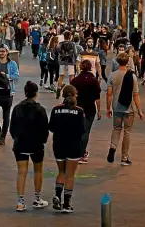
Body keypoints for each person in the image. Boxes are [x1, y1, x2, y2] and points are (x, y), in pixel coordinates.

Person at [9, 81, 49, 212]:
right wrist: (42, 141)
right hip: (36, 144)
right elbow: (45, 129)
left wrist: (16, 138)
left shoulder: (17, 108)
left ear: (25, 93)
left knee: (21, 172)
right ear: (36, 93)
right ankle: (37, 199)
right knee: (38, 171)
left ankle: (20, 202)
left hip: (20, 144)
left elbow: (12, 128)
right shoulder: (40, 109)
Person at [48, 85, 85, 213]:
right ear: (75, 95)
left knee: (61, 172)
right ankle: (67, 204)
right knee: (70, 175)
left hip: (59, 144)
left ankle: (57, 195)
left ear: (63, 95)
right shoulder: (79, 111)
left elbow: (51, 127)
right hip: (74, 145)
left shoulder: (55, 109)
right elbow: (82, 130)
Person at [106, 52, 144, 166]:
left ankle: (113, 147)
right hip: (129, 108)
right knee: (127, 132)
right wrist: (140, 111)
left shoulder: (112, 75)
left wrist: (108, 108)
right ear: (128, 62)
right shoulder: (132, 76)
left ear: (117, 62)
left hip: (116, 107)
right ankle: (124, 157)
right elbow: (136, 95)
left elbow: (109, 94)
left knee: (116, 128)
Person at [71, 60, 101, 164]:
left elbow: (71, 95)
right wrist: (99, 111)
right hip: (90, 109)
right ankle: (81, 153)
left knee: (77, 130)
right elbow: (97, 97)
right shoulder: (93, 80)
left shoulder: (75, 80)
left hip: (77, 108)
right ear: (90, 68)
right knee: (86, 131)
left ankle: (76, 151)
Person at [56, 30, 78, 99]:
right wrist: (76, 60)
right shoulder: (72, 44)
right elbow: (75, 53)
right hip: (70, 61)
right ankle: (71, 92)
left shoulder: (60, 43)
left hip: (62, 61)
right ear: (70, 36)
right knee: (71, 77)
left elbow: (58, 51)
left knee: (61, 76)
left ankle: (58, 91)